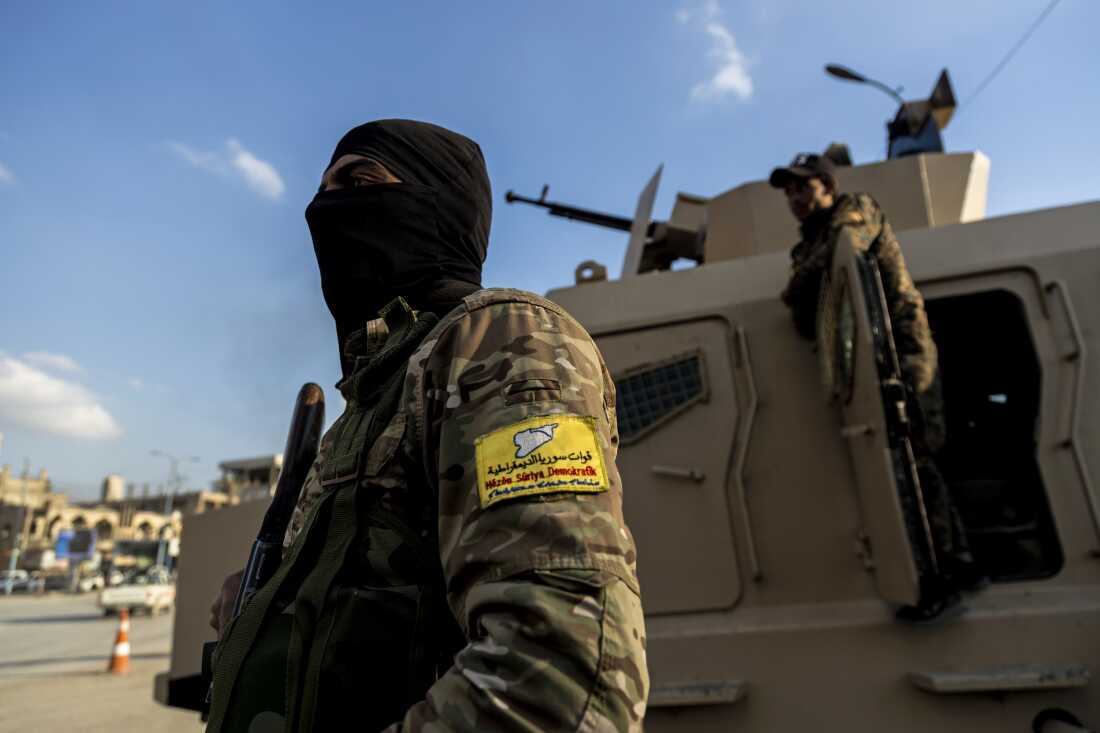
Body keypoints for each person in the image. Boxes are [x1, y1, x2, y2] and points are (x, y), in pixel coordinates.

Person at [206, 120, 648, 732]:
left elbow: (560, 679)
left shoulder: (500, 341)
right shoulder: (372, 399)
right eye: (324, 187)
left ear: (438, 202)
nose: (325, 206)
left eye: (359, 181)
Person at [769, 152, 985, 624]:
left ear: (827, 184)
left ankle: (952, 571)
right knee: (898, 457)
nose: (795, 199)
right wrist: (809, 279)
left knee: (915, 454)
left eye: (802, 188)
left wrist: (811, 279)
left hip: (904, 349)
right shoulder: (805, 247)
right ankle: (937, 572)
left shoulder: (856, 207)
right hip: (866, 359)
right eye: (788, 193)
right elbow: (798, 306)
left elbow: (848, 248)